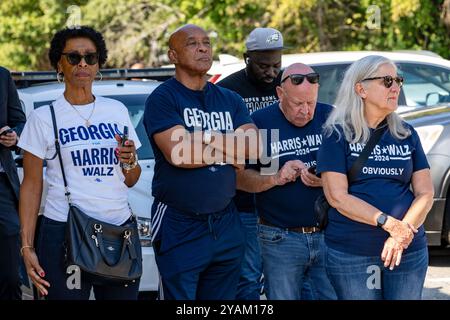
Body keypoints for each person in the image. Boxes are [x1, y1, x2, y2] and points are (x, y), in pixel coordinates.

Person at [18, 26, 142, 300]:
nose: (83, 63)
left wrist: (130, 160)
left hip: (117, 230)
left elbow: (131, 178)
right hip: (64, 232)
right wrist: (26, 246)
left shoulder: (117, 111)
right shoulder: (44, 117)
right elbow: (31, 184)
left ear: (99, 63)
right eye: (73, 57)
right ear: (59, 64)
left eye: (91, 57)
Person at [143, 24, 258, 300]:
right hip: (179, 221)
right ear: (172, 55)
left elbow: (253, 147)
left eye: (206, 42)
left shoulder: (229, 98)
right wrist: (231, 151)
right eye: (192, 43)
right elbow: (179, 154)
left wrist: (203, 138)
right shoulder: (163, 98)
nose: (203, 48)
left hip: (226, 221)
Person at [317, 55, 434, 300]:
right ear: (361, 89)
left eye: (398, 80)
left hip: (407, 250)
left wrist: (403, 234)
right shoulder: (337, 133)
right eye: (387, 81)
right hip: (352, 251)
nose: (396, 87)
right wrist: (390, 225)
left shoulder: (406, 133)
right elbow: (337, 197)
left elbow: (426, 192)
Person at [236, 63, 336, 300]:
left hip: (328, 234)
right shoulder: (260, 123)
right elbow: (239, 179)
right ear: (280, 94)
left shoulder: (330, 117)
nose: (306, 111)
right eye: (297, 104)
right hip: (280, 237)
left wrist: (326, 181)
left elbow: (353, 172)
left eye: (310, 102)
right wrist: (276, 177)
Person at [216, 27, 283, 300]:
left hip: (282, 194)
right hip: (243, 197)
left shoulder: (288, 84)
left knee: (283, 275)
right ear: (247, 58)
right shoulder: (226, 90)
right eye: (263, 65)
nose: (271, 72)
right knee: (248, 275)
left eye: (276, 64)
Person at [0, 66, 26, 300]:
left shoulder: (2, 75)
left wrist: (14, 136)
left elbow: (19, 121)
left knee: (10, 274)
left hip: (2, 186)